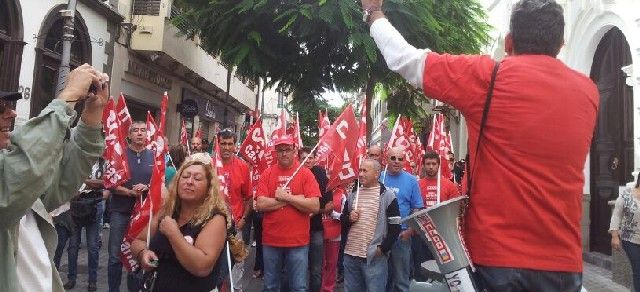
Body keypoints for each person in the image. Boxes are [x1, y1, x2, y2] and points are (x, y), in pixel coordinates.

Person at [361, 0, 598, 289]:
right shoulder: (589, 91)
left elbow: (405, 59)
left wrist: (373, 12)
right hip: (564, 264)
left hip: (497, 259)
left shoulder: (489, 78)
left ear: (509, 42)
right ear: (561, 44)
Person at [0, 64, 108, 292]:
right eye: (1, 108)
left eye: (9, 106)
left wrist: (92, 112)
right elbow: (24, 173)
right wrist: (66, 98)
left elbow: (64, 179)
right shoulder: (12, 173)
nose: (12, 113)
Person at [131, 155, 246, 292]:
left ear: (209, 187)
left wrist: (173, 233)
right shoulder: (167, 211)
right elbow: (138, 241)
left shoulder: (215, 219)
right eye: (185, 176)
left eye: (197, 178)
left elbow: (202, 267)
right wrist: (143, 254)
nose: (189, 182)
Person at [255, 135, 321, 292]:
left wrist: (286, 197)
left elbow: (314, 206)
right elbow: (261, 204)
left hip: (298, 242)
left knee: (298, 287)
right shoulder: (268, 173)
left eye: (287, 150)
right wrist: (295, 200)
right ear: (276, 153)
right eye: (280, 150)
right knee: (270, 286)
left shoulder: (305, 174)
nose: (284, 153)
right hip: (271, 240)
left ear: (294, 151)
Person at [108, 121, 154, 292]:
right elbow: (110, 183)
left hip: (142, 215)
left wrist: (147, 188)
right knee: (115, 255)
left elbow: (160, 183)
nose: (140, 133)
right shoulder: (120, 155)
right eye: (135, 130)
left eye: (143, 130)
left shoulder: (153, 156)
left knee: (135, 255)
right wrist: (129, 192)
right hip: (120, 212)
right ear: (129, 135)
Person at [341, 159, 400, 292]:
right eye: (360, 170)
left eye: (365, 171)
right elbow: (342, 221)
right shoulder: (353, 195)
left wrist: (382, 249)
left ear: (376, 174)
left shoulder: (388, 195)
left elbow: (395, 227)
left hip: (374, 258)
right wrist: (349, 218)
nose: (361, 174)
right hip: (351, 255)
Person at [380, 147, 422, 292]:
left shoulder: (411, 180)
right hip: (380, 236)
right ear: (386, 159)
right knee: (379, 277)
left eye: (400, 159)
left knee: (401, 279)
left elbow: (417, 208)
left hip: (401, 236)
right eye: (393, 158)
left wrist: (410, 231)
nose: (397, 161)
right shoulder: (379, 177)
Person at [64, 159, 110, 291]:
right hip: (76, 204)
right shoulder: (78, 160)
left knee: (93, 247)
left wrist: (84, 181)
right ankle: (71, 278)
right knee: (73, 246)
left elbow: (107, 183)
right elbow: (72, 182)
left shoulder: (104, 163)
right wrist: (95, 185)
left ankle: (92, 281)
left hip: (94, 204)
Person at [413, 151, 460, 281]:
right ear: (423, 165)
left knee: (443, 272)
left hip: (443, 237)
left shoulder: (449, 185)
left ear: (439, 165)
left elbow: (456, 210)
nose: (431, 167)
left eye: (434, 163)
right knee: (422, 271)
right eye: (428, 164)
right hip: (422, 236)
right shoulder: (416, 185)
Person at [217, 129, 252, 292]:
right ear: (218, 144)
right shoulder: (209, 164)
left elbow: (249, 197)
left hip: (236, 225)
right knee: (214, 262)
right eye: (223, 143)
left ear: (235, 145)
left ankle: (234, 289)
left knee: (237, 263)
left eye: (230, 144)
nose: (226, 147)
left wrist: (244, 218)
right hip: (211, 225)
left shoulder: (243, 167)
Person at [298, 146, 332, 292]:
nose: (307, 161)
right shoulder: (294, 174)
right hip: (296, 229)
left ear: (315, 159)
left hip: (315, 229)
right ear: (298, 159)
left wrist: (313, 210)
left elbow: (329, 205)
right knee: (295, 268)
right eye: (303, 158)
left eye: (310, 157)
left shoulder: (321, 174)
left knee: (316, 269)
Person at [610, 175, 640, 292]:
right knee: (638, 270)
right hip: (631, 239)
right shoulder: (627, 194)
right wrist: (615, 235)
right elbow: (617, 215)